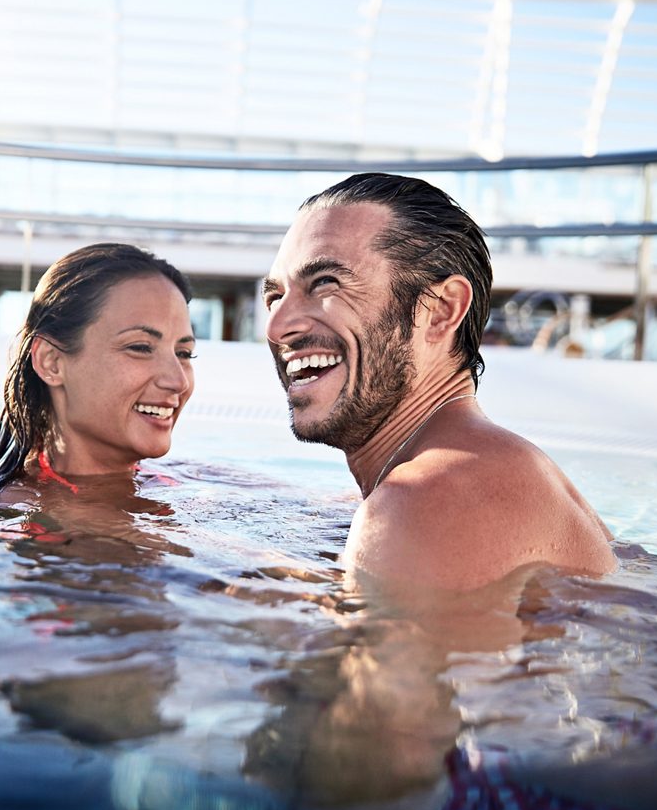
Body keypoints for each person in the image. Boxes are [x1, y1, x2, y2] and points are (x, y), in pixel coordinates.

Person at [262, 173, 615, 592]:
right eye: (274, 297)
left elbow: (395, 658)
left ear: (441, 311)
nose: (277, 326)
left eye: (325, 284)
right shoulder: (475, 475)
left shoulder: (428, 499)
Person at [0, 242, 196, 505]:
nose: (178, 381)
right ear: (51, 362)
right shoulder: (27, 509)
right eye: (140, 347)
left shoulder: (183, 477)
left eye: (184, 353)